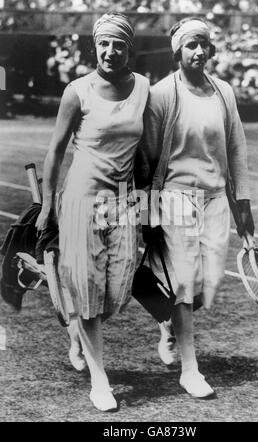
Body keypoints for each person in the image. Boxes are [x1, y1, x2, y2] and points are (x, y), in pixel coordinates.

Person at [36, 12, 149, 412]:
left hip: (123, 201)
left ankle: (75, 331)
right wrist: (49, 203)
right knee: (86, 292)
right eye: (104, 43)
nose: (111, 51)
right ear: (95, 46)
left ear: (129, 49)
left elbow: (147, 152)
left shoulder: (144, 90)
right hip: (82, 199)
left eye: (119, 44)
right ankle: (100, 380)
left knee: (115, 294)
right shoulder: (77, 91)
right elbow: (55, 150)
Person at [135, 17, 254, 399]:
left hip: (217, 199)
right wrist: (147, 211)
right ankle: (191, 369)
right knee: (184, 285)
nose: (199, 51)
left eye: (204, 43)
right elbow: (146, 158)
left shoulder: (224, 93)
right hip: (175, 199)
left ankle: (168, 324)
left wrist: (244, 203)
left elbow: (236, 148)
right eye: (191, 45)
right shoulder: (162, 94)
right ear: (178, 52)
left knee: (210, 283)